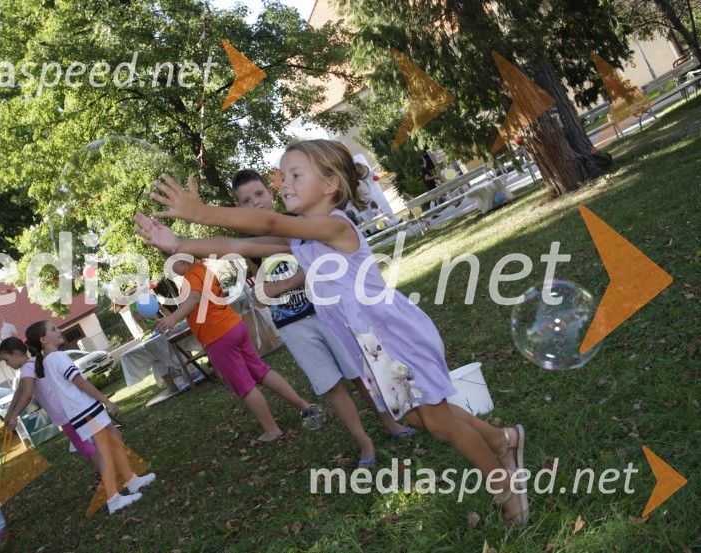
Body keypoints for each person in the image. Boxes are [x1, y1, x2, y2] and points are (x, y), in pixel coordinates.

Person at [133, 139, 529, 528]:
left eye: (295, 174)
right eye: (282, 175)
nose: (282, 183)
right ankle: (501, 440)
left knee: (439, 420)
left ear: (330, 185)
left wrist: (201, 212)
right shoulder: (302, 236)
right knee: (418, 416)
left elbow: (267, 221)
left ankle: (506, 488)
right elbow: (238, 244)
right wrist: (179, 243)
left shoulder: (336, 226)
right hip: (368, 344)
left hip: (393, 335)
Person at [231, 169, 415, 466]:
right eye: (246, 201)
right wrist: (268, 291)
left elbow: (319, 265)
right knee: (330, 384)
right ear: (239, 207)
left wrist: (286, 284)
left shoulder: (296, 221)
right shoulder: (250, 245)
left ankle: (389, 422)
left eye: (259, 195)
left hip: (327, 309)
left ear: (270, 191)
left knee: (359, 373)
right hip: (292, 324)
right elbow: (262, 289)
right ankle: (364, 443)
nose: (255, 204)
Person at [155, 252, 323, 443]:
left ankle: (272, 430)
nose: (169, 268)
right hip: (234, 326)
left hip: (218, 336)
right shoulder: (202, 269)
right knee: (260, 370)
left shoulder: (192, 275)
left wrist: (172, 318)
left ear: (181, 259)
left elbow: (194, 298)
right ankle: (303, 406)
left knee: (244, 385)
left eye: (169, 263)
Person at [25, 321, 155, 515]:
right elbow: (80, 382)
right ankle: (113, 498)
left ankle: (131, 480)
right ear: (43, 340)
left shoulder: (47, 361)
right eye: (53, 329)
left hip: (83, 410)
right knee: (104, 452)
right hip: (85, 411)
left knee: (116, 438)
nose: (59, 330)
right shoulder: (58, 357)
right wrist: (106, 400)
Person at [0, 337, 104, 492]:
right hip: (68, 409)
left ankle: (106, 474)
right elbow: (19, 392)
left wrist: (14, 416)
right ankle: (102, 473)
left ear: (15, 354)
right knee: (87, 441)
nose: (7, 364)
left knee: (83, 445)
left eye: (6, 360)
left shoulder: (27, 369)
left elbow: (26, 395)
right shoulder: (33, 362)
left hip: (63, 412)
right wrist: (8, 415)